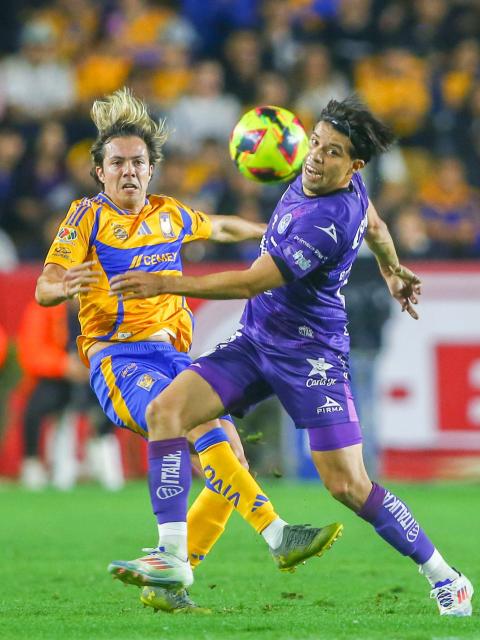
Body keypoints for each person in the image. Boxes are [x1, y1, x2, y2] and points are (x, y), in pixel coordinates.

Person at [109, 96, 474, 617]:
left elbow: (254, 280)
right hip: (257, 344)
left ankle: (446, 576)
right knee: (167, 411)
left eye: (332, 153)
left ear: (355, 166)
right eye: (318, 144)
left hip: (311, 358)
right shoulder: (337, 181)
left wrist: (168, 282)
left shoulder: (325, 222)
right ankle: (171, 557)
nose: (316, 159)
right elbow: (375, 222)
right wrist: (392, 268)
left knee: (348, 486)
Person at [35, 88, 343, 613]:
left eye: (138, 163)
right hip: (121, 358)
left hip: (175, 357)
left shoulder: (170, 214)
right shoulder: (85, 217)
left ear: (151, 169)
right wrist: (65, 285)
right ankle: (275, 535)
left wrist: (274, 235)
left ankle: (170, 579)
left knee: (232, 460)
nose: (128, 172)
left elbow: (220, 227)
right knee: (194, 427)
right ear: (100, 172)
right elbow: (45, 285)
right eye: (117, 164)